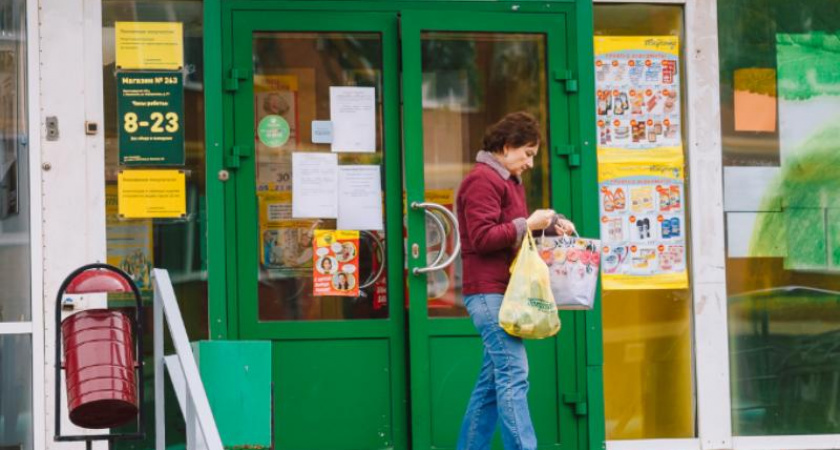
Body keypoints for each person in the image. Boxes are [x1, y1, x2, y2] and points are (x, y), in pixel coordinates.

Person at [455, 112, 575, 450]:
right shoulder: (482, 180)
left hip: (500, 292)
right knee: (514, 374)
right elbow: (482, 237)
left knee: (492, 384)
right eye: (528, 154)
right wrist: (529, 223)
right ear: (507, 147)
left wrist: (551, 224)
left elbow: (513, 230)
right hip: (487, 294)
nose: (531, 163)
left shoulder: (506, 181)